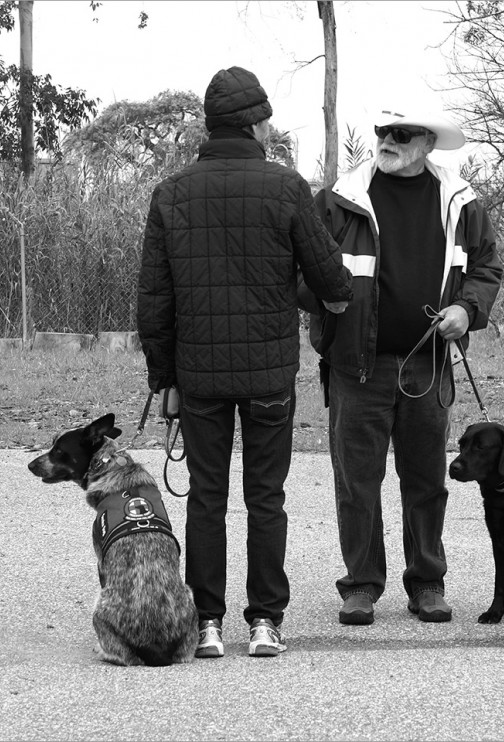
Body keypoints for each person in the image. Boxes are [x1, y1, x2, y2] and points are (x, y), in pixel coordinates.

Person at [137, 66, 352, 658]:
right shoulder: (285, 189)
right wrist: (324, 298)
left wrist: (165, 380)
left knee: (206, 496)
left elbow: (154, 302)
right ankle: (264, 622)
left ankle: (207, 623)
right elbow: (331, 276)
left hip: (199, 377)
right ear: (255, 123)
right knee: (266, 496)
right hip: (267, 376)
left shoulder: (171, 194)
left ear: (211, 125)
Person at [300, 109, 503, 625]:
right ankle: (362, 586)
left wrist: (466, 309)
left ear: (427, 143)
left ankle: (428, 584)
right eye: (383, 133)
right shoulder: (336, 200)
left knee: (426, 480)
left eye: (402, 134)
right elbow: (296, 269)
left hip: (428, 367)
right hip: (355, 367)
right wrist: (327, 298)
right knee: (357, 482)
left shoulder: (461, 202)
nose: (388, 142)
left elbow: (485, 267)